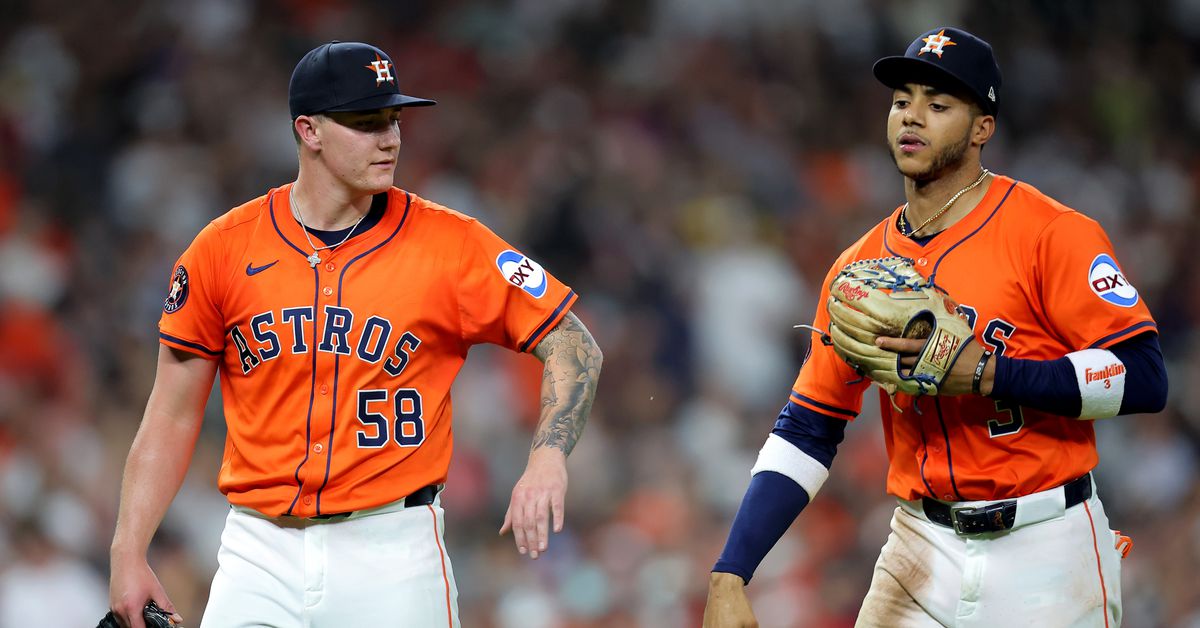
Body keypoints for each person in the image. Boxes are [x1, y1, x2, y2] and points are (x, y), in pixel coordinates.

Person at [107, 41, 602, 628]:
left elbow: (574, 342)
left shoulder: (452, 245)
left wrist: (548, 457)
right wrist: (128, 550)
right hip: (258, 550)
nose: (390, 138)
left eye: (393, 119)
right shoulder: (223, 249)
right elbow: (171, 412)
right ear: (309, 131)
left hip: (392, 549)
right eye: (366, 123)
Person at [704, 27, 1166, 627]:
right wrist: (731, 570)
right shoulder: (859, 270)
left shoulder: (1051, 234)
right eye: (902, 101)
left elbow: (1145, 377)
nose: (912, 117)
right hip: (920, 543)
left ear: (983, 128)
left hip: (1047, 546)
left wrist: (991, 375)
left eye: (938, 104)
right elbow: (808, 428)